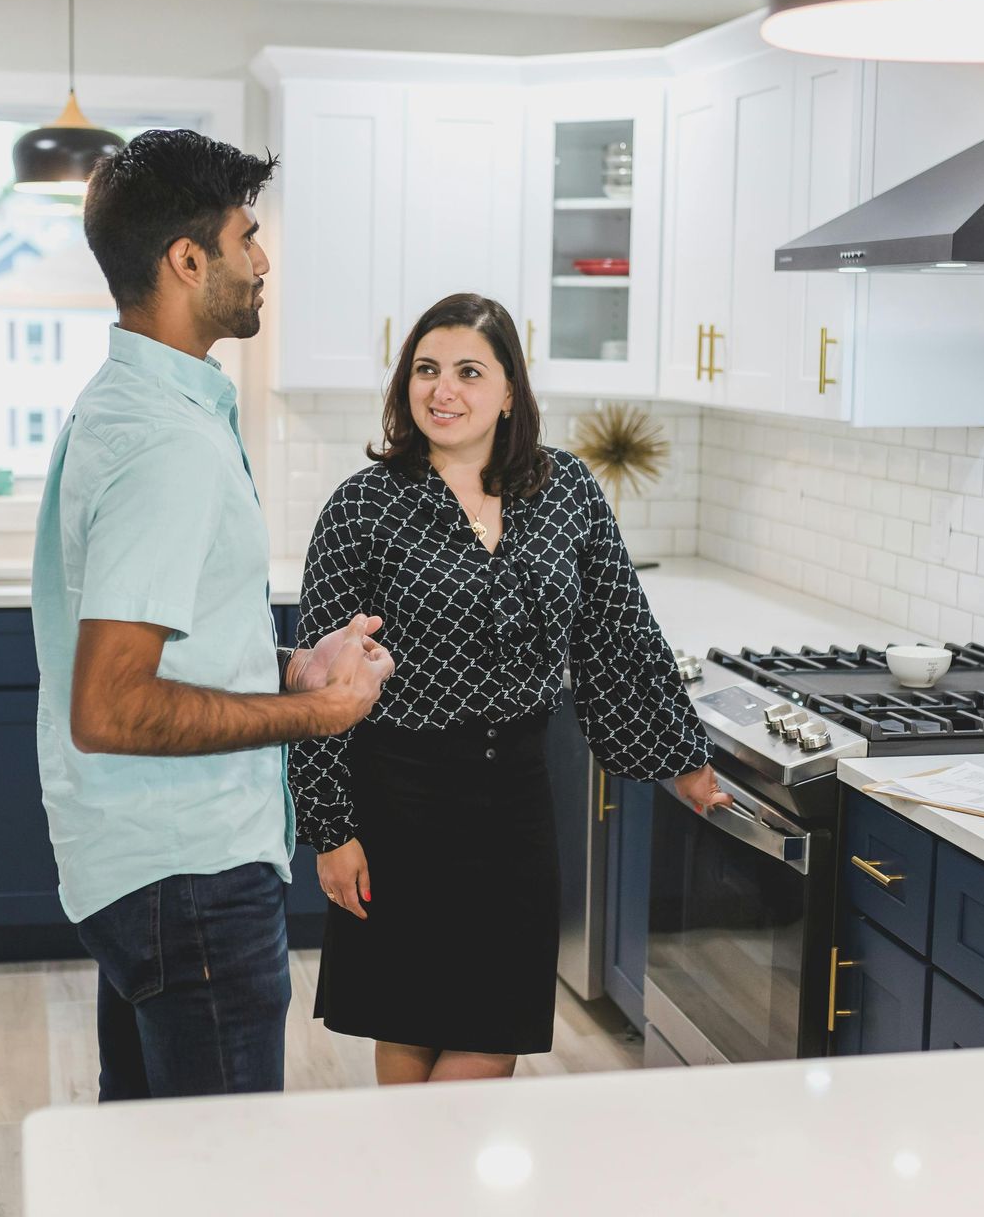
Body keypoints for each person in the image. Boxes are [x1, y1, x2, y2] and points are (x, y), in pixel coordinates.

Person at [31, 129, 394, 1100]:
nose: (262, 260)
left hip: (144, 866)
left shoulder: (132, 408)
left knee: (149, 1151)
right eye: (248, 234)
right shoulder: (166, 444)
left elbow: (163, 648)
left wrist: (289, 667)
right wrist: (318, 715)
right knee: (223, 1174)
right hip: (187, 872)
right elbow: (110, 705)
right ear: (189, 260)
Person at [291, 291, 729, 1084]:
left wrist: (682, 756)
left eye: (467, 371)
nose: (442, 390)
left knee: (493, 1034)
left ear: (508, 392)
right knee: (408, 1023)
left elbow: (619, 634)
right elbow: (314, 688)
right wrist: (330, 829)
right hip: (399, 803)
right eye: (426, 370)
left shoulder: (566, 493)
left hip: (516, 806)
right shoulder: (363, 507)